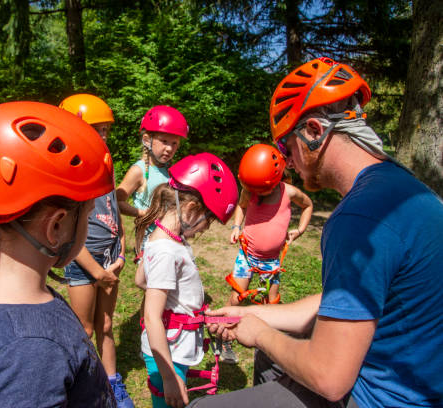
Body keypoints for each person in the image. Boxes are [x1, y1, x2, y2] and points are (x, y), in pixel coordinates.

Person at [189, 57, 443, 407]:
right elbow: (343, 303)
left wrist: (259, 333)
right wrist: (250, 313)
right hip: (419, 382)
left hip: (380, 398)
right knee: (275, 352)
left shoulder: (359, 218)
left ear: (313, 130)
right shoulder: (410, 191)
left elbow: (329, 378)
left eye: (286, 148)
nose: (288, 162)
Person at [0, 101, 117, 407]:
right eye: (89, 213)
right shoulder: (30, 352)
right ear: (56, 226)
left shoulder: (21, 306)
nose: (91, 220)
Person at [137, 153, 238, 408]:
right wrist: (169, 377)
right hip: (168, 352)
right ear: (191, 209)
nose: (207, 228)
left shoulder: (164, 239)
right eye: (209, 219)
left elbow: (141, 279)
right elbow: (151, 317)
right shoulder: (166, 250)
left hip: (173, 345)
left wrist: (184, 306)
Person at [59, 93, 134, 408]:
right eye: (97, 129)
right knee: (85, 328)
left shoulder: (106, 162)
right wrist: (97, 272)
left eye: (106, 130)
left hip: (110, 260)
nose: (104, 136)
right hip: (85, 262)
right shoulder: (67, 170)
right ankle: (80, 388)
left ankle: (113, 384)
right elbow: (66, 234)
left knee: (106, 324)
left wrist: (121, 249)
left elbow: (112, 208)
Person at [219, 143, 313, 364]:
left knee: (272, 303)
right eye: (253, 190)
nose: (256, 194)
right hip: (247, 256)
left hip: (272, 262)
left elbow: (308, 205)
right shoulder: (250, 189)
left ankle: (269, 347)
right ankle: (224, 339)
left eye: (262, 190)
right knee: (236, 298)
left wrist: (299, 230)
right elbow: (241, 207)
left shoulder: (288, 192)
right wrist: (236, 227)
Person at [116, 105, 189, 289]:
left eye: (174, 143)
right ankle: (148, 318)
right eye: (164, 141)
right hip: (149, 242)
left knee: (166, 288)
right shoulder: (138, 170)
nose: (169, 148)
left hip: (171, 238)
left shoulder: (171, 171)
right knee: (152, 288)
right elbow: (117, 201)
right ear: (147, 140)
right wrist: (143, 212)